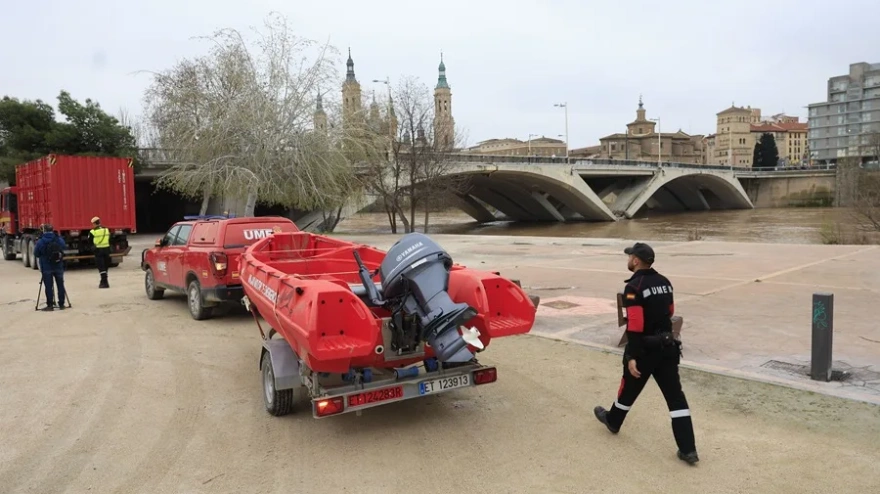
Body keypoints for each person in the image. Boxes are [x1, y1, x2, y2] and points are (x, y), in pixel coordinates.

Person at [593, 242, 699, 465]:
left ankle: (613, 421)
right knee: (675, 398)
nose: (628, 259)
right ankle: (688, 449)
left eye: (630, 256)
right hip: (668, 348)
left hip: (645, 350)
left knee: (629, 388)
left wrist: (632, 356)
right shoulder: (665, 282)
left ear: (636, 260)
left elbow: (635, 324)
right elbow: (670, 311)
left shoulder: (634, 287)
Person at [33, 223, 67, 311]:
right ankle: (62, 304)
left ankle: (50, 305)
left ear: (44, 230)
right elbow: (64, 247)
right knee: (60, 284)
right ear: (52, 230)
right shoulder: (58, 239)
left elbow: (36, 253)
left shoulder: (41, 241)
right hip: (58, 265)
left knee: (48, 286)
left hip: (46, 266)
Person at [88, 216, 111, 288]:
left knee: (101, 267)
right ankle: (103, 281)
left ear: (94, 224)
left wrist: (92, 248)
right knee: (105, 266)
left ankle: (105, 283)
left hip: (98, 251)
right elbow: (110, 239)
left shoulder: (92, 232)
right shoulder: (106, 230)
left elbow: (90, 242)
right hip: (107, 250)